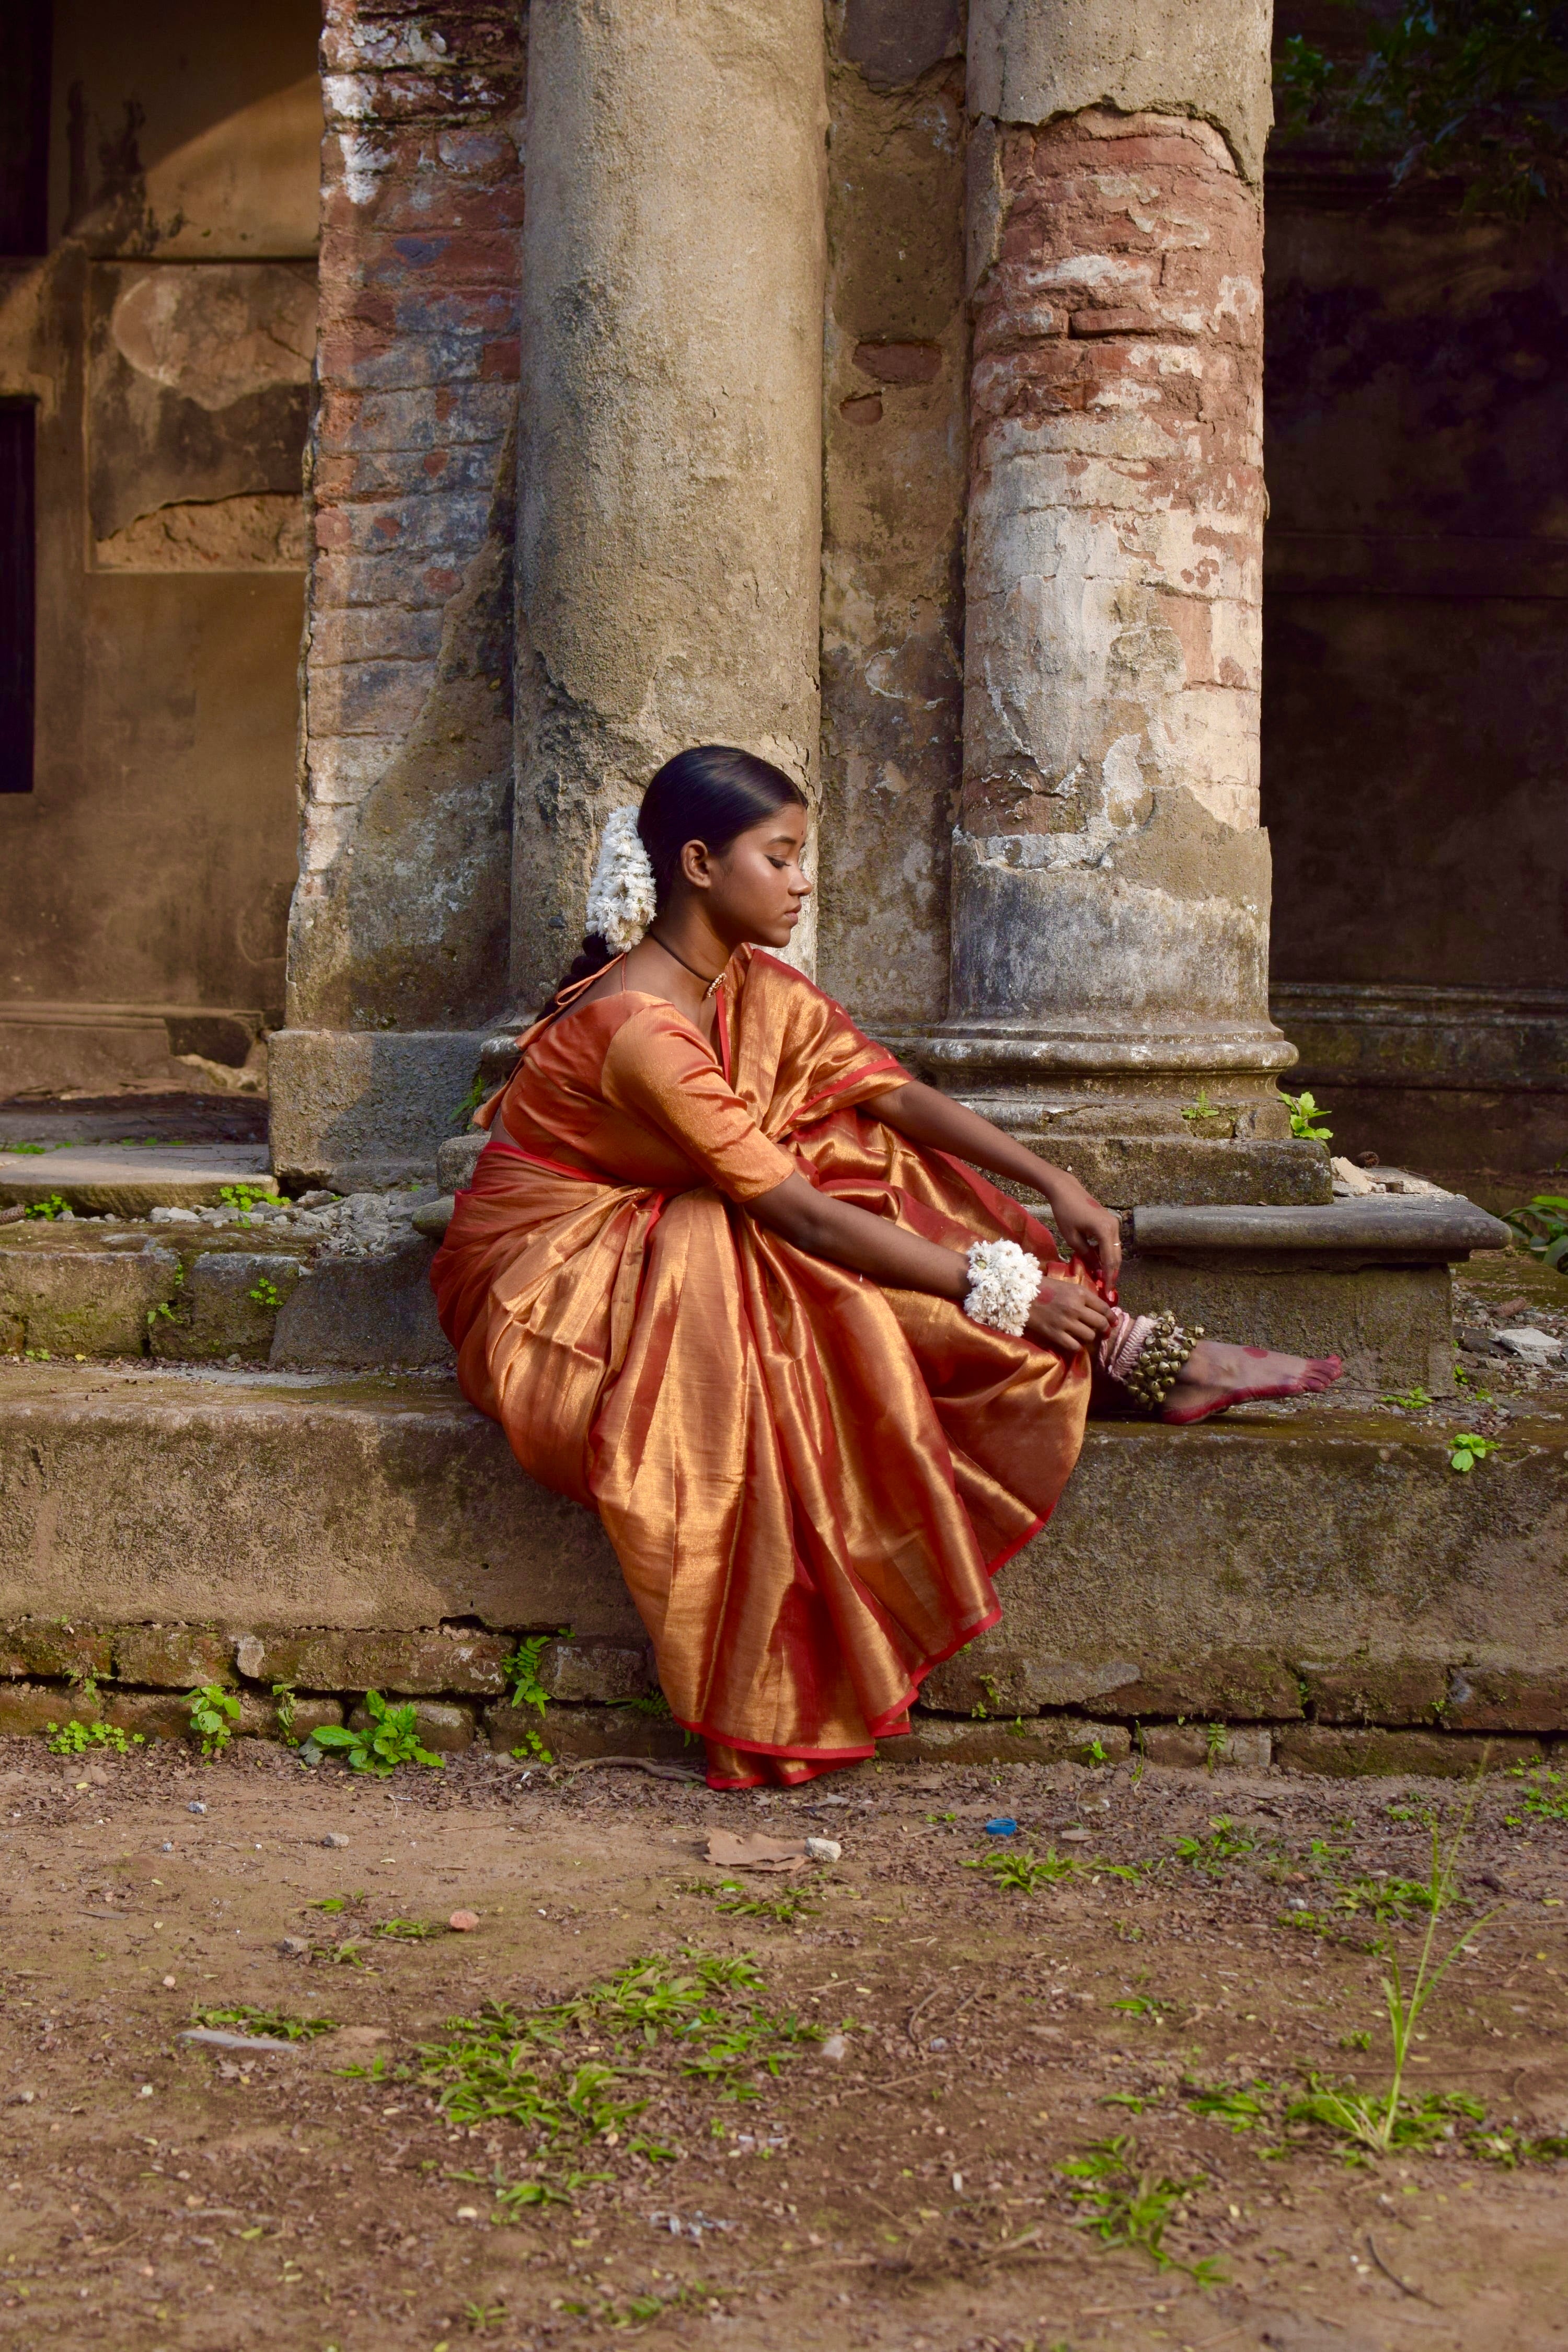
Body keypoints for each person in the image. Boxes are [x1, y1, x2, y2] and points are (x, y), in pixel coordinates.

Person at [432, 746, 1339, 1790]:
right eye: (780, 858)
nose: (803, 882)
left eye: (800, 857)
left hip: (686, 1215)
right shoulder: (642, 1030)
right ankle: (1112, 1349)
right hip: (547, 1291)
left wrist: (1058, 1184)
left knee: (850, 1141)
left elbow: (890, 1091)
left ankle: (1113, 1346)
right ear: (696, 863)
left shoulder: (746, 984)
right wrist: (1005, 1288)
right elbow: (802, 1217)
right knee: (749, 1243)